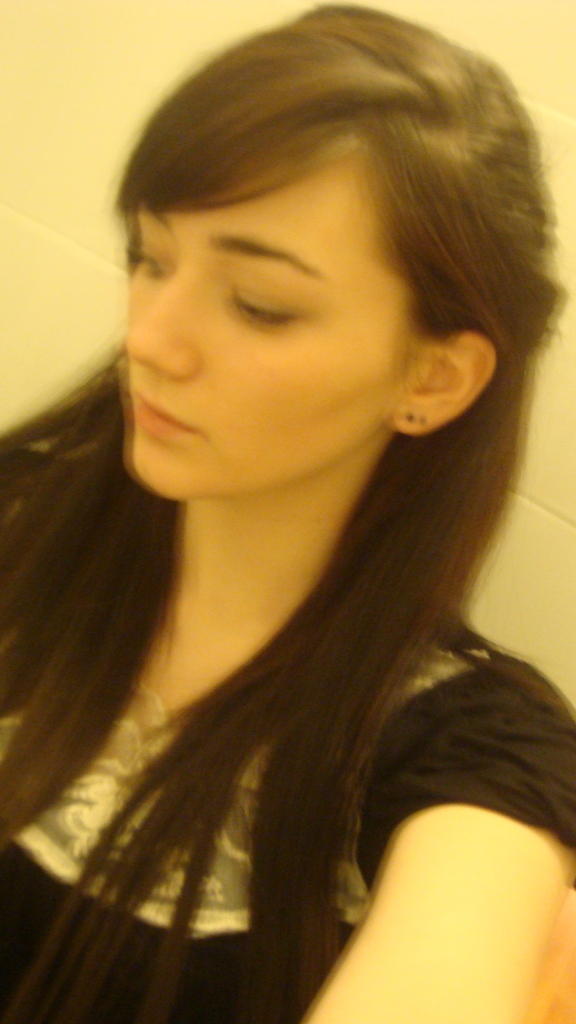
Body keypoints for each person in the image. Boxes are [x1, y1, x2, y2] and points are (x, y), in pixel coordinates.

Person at [0, 4, 575, 1023]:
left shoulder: (470, 751)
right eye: (151, 258)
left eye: (259, 304)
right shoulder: (21, 522)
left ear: (434, 378)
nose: (151, 340)